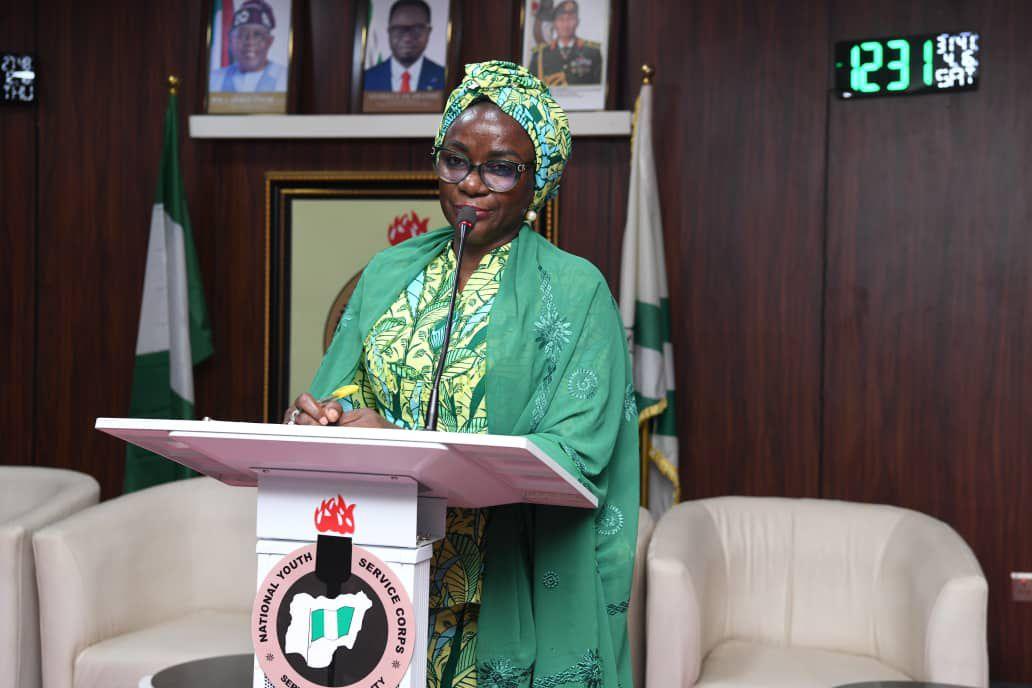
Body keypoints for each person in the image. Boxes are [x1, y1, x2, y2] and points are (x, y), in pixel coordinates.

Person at [286, 61, 638, 688]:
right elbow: (345, 390)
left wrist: (404, 444)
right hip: (379, 574)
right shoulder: (389, 272)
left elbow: (573, 456)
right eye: (455, 161)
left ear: (538, 181)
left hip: (505, 585)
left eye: (500, 168)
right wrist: (322, 419)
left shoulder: (576, 290)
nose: (471, 184)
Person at [364, 0, 446, 92]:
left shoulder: (446, 79)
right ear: (389, 31)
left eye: (417, 29)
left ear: (428, 32)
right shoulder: (365, 80)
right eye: (399, 29)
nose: (407, 38)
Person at [209, 1, 287, 93]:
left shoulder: (286, 78)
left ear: (269, 41)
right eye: (242, 34)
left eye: (257, 35)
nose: (250, 42)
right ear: (231, 39)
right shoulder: (213, 80)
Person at [528, 0, 603, 86]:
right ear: (554, 23)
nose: (565, 24)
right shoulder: (539, 55)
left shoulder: (592, 53)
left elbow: (599, 87)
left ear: (577, 22)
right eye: (561, 19)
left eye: (570, 19)